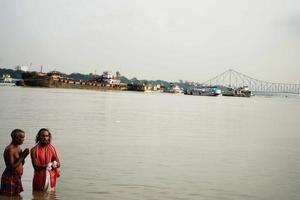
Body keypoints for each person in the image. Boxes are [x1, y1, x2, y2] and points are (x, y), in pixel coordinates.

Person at [0, 129, 30, 196]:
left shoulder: (18, 148)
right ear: (15, 138)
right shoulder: (10, 149)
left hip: (17, 177)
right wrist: (22, 156)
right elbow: (11, 167)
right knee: (8, 197)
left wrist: (23, 156)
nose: (23, 139)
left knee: (16, 196)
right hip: (10, 176)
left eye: (23, 137)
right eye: (21, 137)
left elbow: (21, 163)